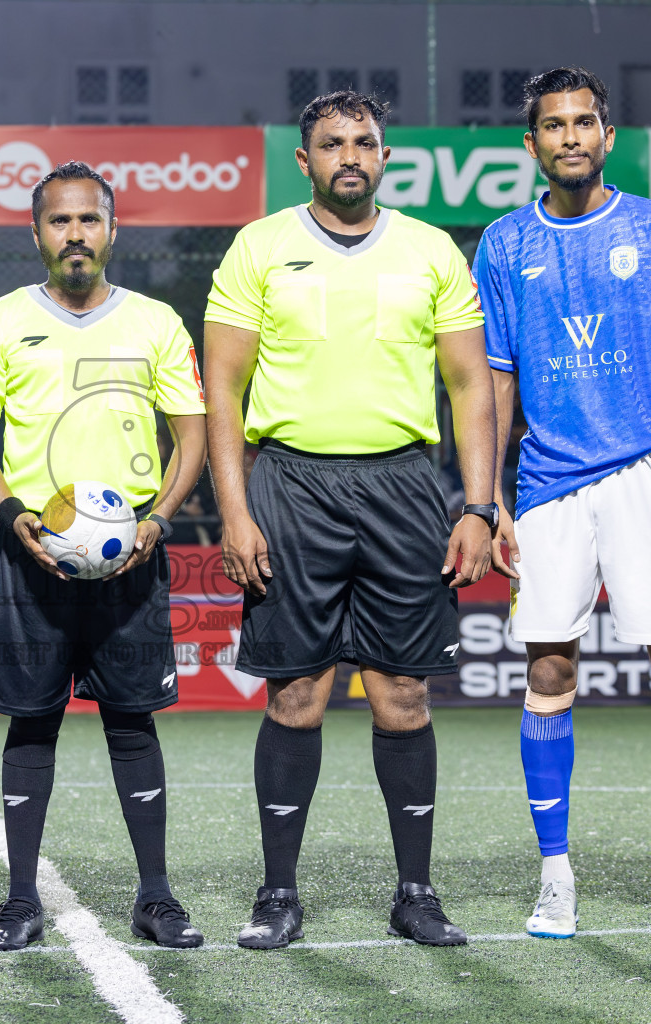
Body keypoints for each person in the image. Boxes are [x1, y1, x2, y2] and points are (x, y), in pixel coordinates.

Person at [205, 90, 496, 949]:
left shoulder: (430, 250)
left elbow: (471, 384)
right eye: (332, 144)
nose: (350, 156)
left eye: (364, 141)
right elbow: (219, 386)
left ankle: (415, 892)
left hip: (405, 488)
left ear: (385, 155)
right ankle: (278, 895)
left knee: (404, 694)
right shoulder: (260, 246)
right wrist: (233, 509)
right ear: (305, 161)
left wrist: (478, 505)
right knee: (298, 692)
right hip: (291, 486)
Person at [474, 67, 651, 945]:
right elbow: (497, 379)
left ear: (608, 135)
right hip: (548, 487)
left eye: (585, 122)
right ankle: (556, 879)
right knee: (548, 678)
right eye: (554, 126)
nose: (571, 137)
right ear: (533, 144)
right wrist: (493, 500)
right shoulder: (504, 245)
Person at [0, 161, 208, 951]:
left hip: (131, 559)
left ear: (111, 230)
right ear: (36, 234)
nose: (75, 235)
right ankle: (21, 898)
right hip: (31, 559)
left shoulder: (157, 322)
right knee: (32, 726)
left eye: (88, 220)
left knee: (134, 723)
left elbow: (191, 434)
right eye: (59, 222)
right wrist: (12, 514)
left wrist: (159, 520)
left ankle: (156, 897)